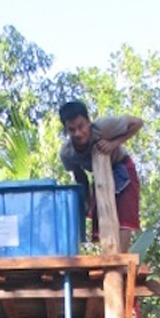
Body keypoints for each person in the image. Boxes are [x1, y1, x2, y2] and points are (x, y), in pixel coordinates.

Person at [58, 99, 143, 252]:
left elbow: (137, 123)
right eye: (72, 130)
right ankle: (108, 255)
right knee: (100, 215)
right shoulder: (67, 153)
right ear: (66, 130)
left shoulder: (104, 127)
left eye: (81, 126)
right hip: (99, 178)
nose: (78, 133)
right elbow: (80, 177)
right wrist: (86, 201)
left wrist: (114, 143)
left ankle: (121, 259)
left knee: (124, 215)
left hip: (121, 166)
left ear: (88, 122)